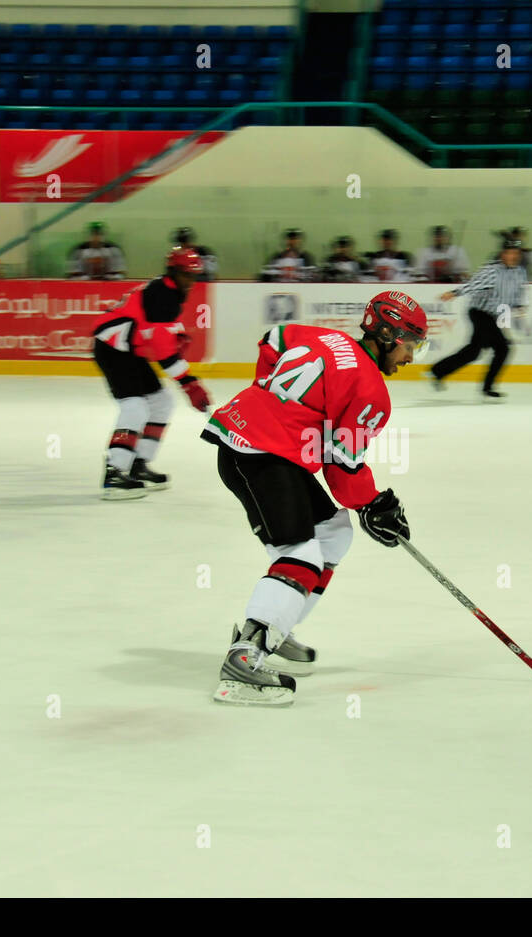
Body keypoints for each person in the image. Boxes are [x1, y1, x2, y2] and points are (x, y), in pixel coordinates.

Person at [201, 290, 428, 706]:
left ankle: (276, 627)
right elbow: (342, 472)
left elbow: (272, 339)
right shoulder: (372, 392)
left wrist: (267, 397)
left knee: (333, 533)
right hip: (260, 455)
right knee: (302, 555)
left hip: (245, 440)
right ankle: (245, 659)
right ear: (388, 334)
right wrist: (375, 504)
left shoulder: (324, 337)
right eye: (410, 345)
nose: (411, 357)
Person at [91, 247, 212, 500]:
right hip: (112, 349)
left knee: (161, 402)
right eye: (187, 275)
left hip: (129, 350)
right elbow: (163, 353)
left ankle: (138, 464)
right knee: (134, 407)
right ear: (174, 272)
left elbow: (159, 335)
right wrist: (190, 384)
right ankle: (114, 471)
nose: (191, 282)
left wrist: (176, 335)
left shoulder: (169, 292)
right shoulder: (163, 295)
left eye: (194, 276)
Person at [429, 236, 528, 400]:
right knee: (501, 348)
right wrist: (454, 293)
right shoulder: (492, 271)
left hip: (494, 315)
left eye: (516, 253)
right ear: (503, 254)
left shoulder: (520, 273)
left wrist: (518, 306)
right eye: (510, 252)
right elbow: (472, 285)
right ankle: (486, 388)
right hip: (479, 312)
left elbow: (518, 294)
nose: (514, 256)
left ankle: (438, 371)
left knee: (476, 351)